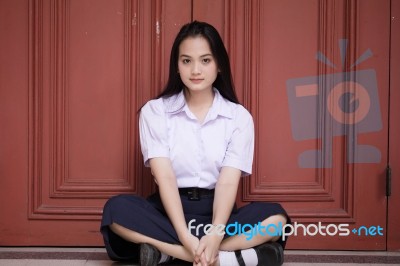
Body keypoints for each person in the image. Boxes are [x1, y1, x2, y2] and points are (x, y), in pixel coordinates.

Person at [101, 21, 290, 266]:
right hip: (169, 213)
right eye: (186, 61)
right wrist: (183, 234)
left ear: (219, 65)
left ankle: (167, 254)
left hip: (217, 214)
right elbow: (165, 177)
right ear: (177, 66)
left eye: (205, 60)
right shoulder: (156, 111)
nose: (195, 70)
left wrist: (215, 233)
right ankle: (223, 259)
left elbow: (228, 180)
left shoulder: (238, 117)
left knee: (276, 220)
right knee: (116, 211)